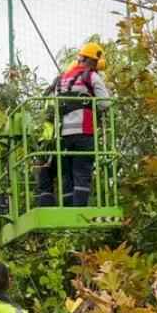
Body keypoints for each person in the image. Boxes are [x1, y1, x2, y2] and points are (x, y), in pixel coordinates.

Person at [36, 42, 111, 208]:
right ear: (93, 61)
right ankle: (78, 210)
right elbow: (105, 103)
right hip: (84, 131)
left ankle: (68, 208)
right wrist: (94, 106)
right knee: (82, 172)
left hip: (63, 135)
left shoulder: (62, 79)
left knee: (68, 174)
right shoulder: (91, 76)